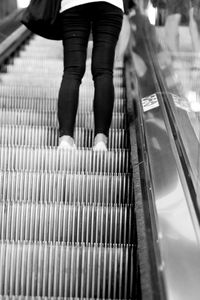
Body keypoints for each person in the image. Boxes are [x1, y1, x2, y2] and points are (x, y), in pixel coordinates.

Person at [57, 0, 125, 151]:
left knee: (72, 71)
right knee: (104, 72)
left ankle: (66, 140)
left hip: (73, 4)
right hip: (110, 4)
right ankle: (101, 141)